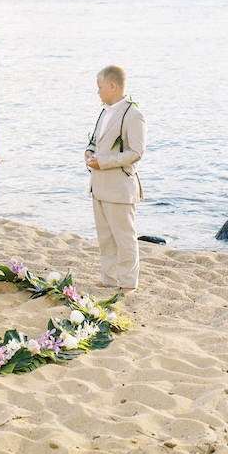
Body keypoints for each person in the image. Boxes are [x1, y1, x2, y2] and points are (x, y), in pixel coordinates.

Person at [84, 65, 147, 293]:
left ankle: (128, 283)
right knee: (105, 237)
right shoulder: (104, 111)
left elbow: (136, 152)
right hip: (99, 186)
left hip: (120, 188)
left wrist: (103, 162)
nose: (98, 92)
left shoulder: (134, 115)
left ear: (113, 86)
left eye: (100, 87)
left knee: (124, 237)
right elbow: (96, 140)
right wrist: (89, 151)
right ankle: (109, 279)